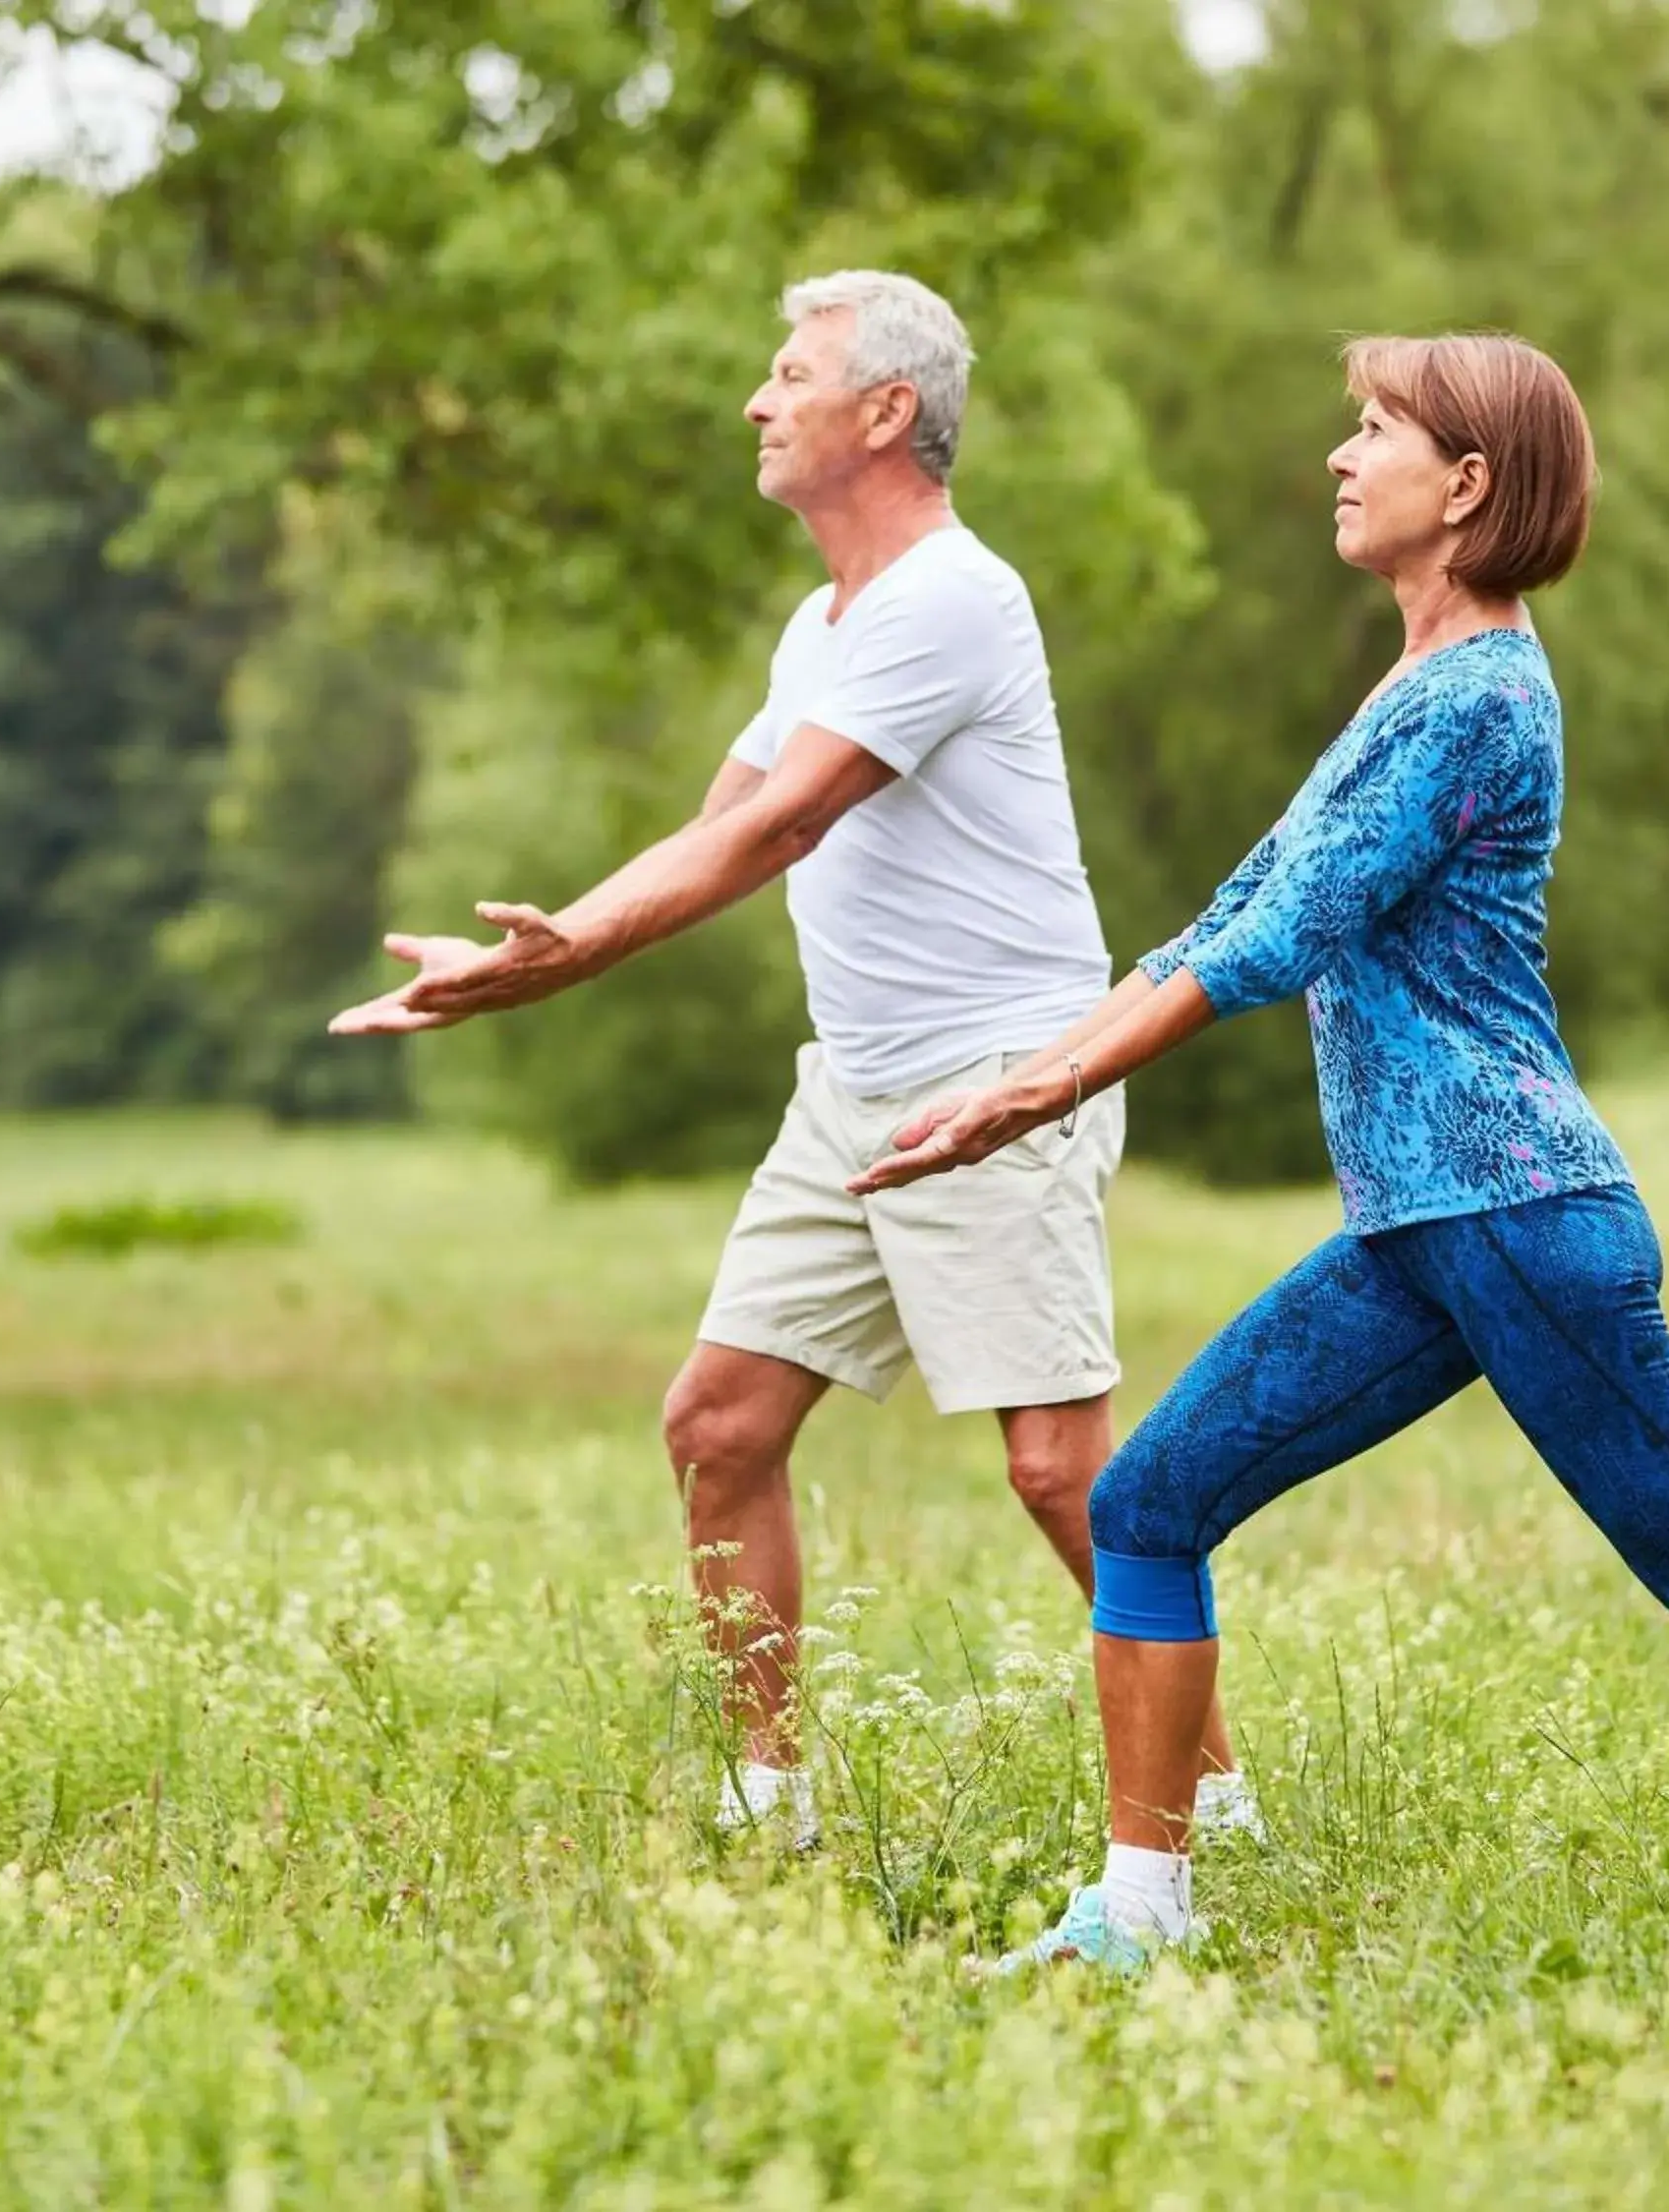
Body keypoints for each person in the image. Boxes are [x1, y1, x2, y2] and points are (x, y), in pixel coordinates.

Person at [847, 330, 1669, 1965]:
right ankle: (1138, 1915)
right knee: (1147, 1502)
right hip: (1423, 1229)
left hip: (1515, 1208)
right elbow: (1231, 908)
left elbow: (1281, 936)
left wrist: (1038, 1096)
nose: (1343, 457)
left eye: (1378, 431)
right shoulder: (1414, 683)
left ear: (1470, 487)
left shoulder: (1480, 694)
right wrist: (1026, 1069)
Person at [331, 268, 1252, 1846]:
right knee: (720, 1424)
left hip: (996, 1082)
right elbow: (718, 819)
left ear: (885, 410)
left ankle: (1214, 1801)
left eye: (789, 374)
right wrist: (528, 949)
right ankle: (770, 1802)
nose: (758, 403)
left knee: (1055, 1471)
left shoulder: (957, 597)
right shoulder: (816, 622)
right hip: (856, 1085)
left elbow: (786, 823)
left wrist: (566, 964)